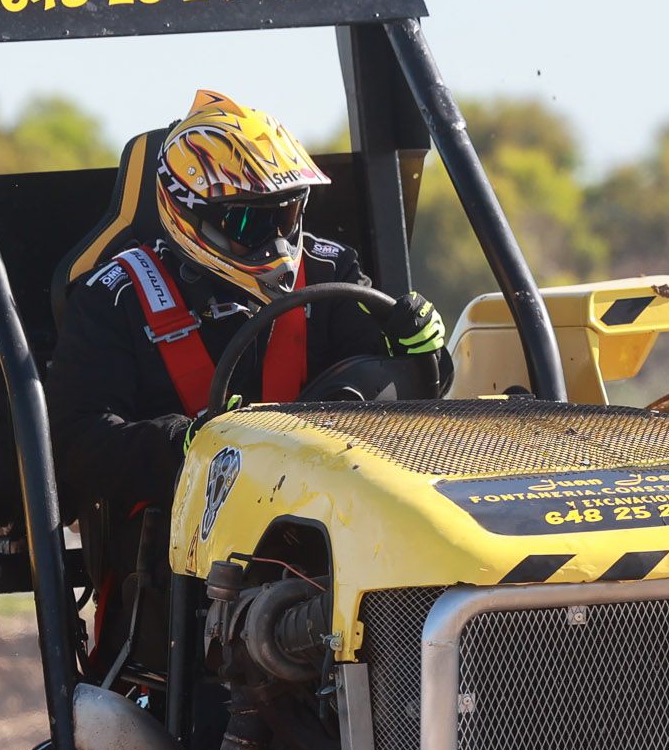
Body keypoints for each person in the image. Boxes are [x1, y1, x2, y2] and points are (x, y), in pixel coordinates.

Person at [48, 89, 446, 595]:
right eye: (249, 222)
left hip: (330, 524)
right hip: (183, 554)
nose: (276, 242)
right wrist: (185, 443)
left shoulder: (331, 270)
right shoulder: (113, 297)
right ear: (188, 214)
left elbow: (403, 394)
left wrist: (423, 352)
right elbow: (76, 443)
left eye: (286, 216)